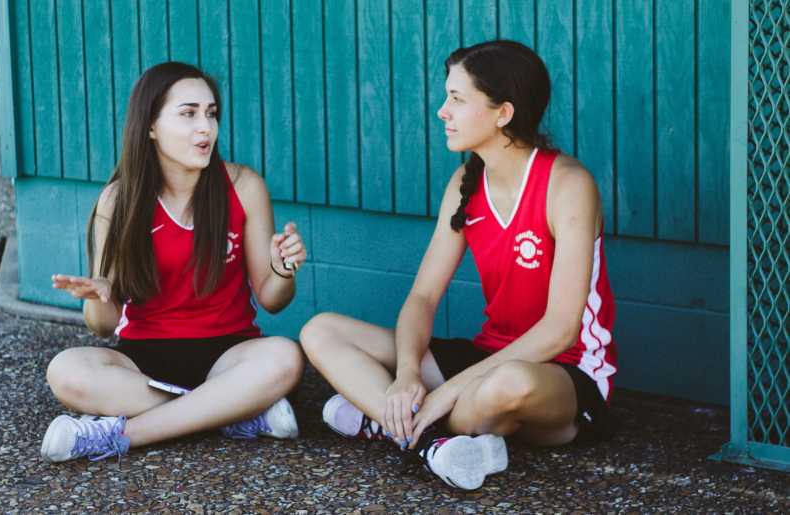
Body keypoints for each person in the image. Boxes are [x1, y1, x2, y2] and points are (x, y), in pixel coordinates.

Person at [300, 40, 617, 491]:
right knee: (321, 330)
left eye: (456, 98)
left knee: (505, 385)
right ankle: (431, 440)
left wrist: (446, 390)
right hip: (486, 356)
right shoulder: (465, 184)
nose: (442, 111)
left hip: (561, 375)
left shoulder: (567, 184)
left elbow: (561, 329)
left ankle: (387, 423)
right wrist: (408, 374)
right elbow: (424, 297)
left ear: (503, 113)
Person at [40, 61, 307, 463]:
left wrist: (283, 270)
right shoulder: (118, 201)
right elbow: (104, 324)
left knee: (285, 356)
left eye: (211, 113)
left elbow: (272, 298)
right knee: (65, 370)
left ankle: (119, 434)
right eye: (188, 114)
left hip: (229, 355)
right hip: (143, 362)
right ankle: (231, 412)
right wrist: (98, 295)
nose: (206, 127)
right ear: (150, 125)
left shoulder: (244, 186)